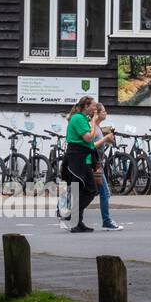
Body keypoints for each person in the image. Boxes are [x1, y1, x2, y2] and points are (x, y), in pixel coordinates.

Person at [62, 96, 101, 233]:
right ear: (86, 106)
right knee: (89, 190)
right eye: (93, 106)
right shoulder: (78, 118)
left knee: (85, 191)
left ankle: (77, 222)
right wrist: (94, 122)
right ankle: (74, 217)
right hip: (76, 159)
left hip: (83, 157)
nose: (95, 109)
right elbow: (89, 137)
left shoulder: (84, 119)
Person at [90, 104, 124, 231]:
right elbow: (91, 145)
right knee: (104, 193)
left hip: (98, 163)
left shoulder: (98, 127)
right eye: (104, 111)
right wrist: (105, 139)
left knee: (91, 192)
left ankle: (66, 210)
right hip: (94, 164)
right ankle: (106, 221)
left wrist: (107, 138)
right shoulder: (92, 126)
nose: (106, 112)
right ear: (97, 113)